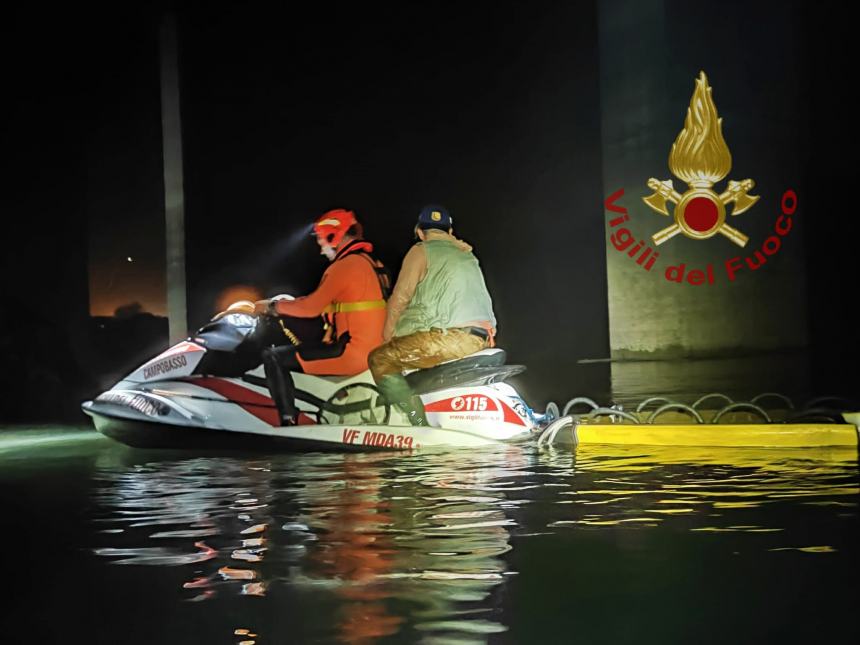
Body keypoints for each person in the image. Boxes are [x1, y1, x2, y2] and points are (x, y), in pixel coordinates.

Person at [256, 209, 390, 425]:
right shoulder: (372, 264)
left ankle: (288, 422)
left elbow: (310, 308)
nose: (320, 249)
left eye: (321, 241)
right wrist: (288, 305)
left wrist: (271, 307)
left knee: (273, 356)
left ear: (333, 236)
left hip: (352, 353)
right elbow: (326, 303)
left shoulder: (344, 267)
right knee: (306, 348)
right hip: (375, 350)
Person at [368, 204, 496, 426]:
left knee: (380, 359)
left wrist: (388, 334)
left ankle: (417, 421)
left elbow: (400, 297)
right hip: (483, 338)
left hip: (449, 339)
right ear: (450, 232)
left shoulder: (421, 250)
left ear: (420, 232)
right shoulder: (468, 256)